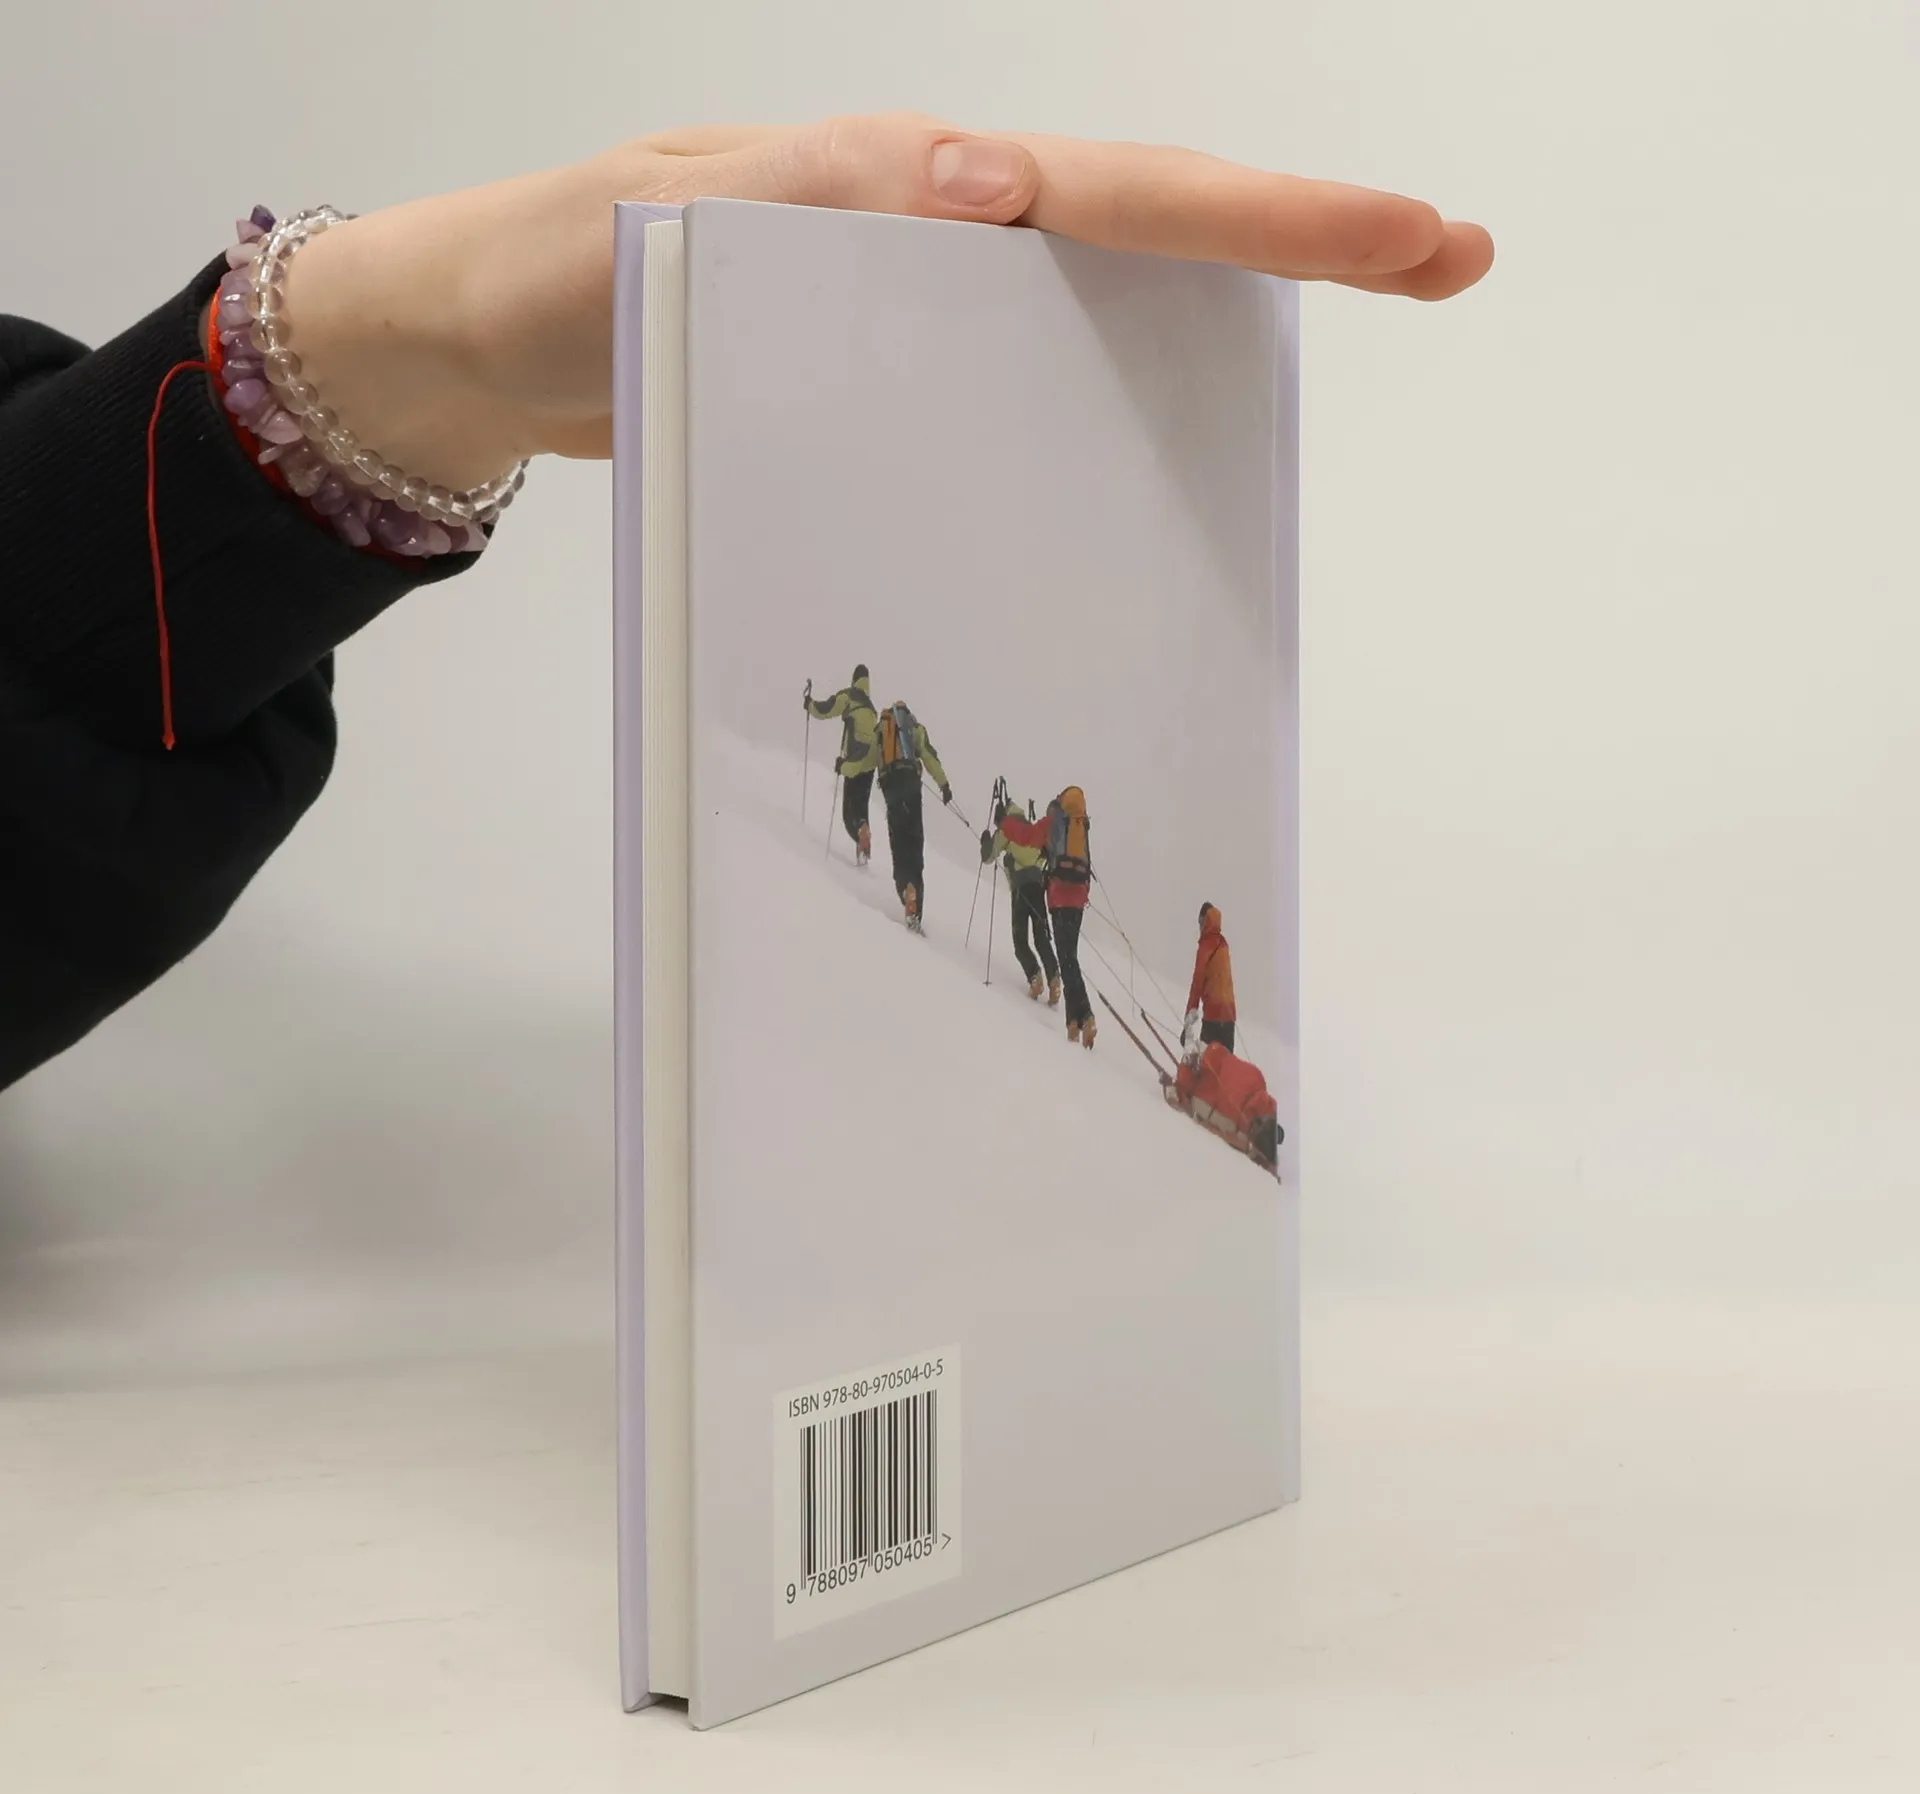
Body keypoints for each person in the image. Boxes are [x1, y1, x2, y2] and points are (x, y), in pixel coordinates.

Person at [0, 113, 1491, 1092]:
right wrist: (380, 357)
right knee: (941, 881)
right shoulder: (942, 766)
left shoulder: (1068, 839)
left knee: (1003, 921)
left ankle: (1001, 956)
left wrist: (391, 359)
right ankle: (950, 921)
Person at [995, 786, 1096, 1046]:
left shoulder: (1054, 821)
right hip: (1079, 897)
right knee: (1069, 957)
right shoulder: (1080, 825)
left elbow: (1026, 835)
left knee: (1068, 959)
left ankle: (1085, 1015)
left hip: (1060, 897)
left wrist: (1003, 823)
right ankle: (1073, 1022)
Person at [873, 700, 951, 931]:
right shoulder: (914, 728)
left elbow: (868, 759)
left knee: (898, 844)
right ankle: (915, 902)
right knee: (914, 843)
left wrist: (847, 768)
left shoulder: (881, 730)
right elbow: (928, 756)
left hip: (891, 787)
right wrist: (944, 784)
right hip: (910, 785)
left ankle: (905, 888)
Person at [980, 799, 1060, 1003]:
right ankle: (1053, 977)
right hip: (1037, 887)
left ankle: (1034, 976)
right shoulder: (1030, 830)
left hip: (1020, 889)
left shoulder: (1008, 830)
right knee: (1041, 938)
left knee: (1020, 940)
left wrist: (986, 841)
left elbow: (988, 857)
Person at [805, 664, 877, 863]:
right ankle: (863, 850)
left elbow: (826, 709)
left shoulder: (849, 695)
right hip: (870, 764)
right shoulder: (872, 708)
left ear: (854, 679)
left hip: (854, 760)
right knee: (861, 807)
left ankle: (860, 832)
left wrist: (810, 705)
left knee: (848, 815)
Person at [1184, 902, 1237, 1054]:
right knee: (1225, 1063)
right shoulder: (1223, 944)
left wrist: (1188, 1020)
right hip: (1229, 1018)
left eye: (1200, 922)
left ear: (1204, 920)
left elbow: (1198, 981)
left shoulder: (1206, 945)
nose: (1200, 928)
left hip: (1213, 1016)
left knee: (1206, 1062)